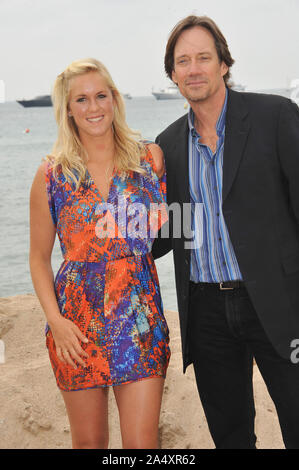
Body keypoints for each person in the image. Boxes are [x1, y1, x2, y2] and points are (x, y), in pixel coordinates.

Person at [152, 15, 299, 449]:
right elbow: (170, 232)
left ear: (223, 64)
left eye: (203, 57)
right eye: (183, 61)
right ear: (173, 74)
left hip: (279, 303)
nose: (193, 68)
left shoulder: (275, 116)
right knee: (231, 436)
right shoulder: (168, 144)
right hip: (207, 312)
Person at [29, 58, 170, 449]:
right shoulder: (52, 175)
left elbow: (167, 230)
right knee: (89, 443)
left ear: (115, 100)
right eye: (82, 99)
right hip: (75, 327)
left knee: (143, 446)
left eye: (101, 96)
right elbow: (39, 258)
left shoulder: (149, 161)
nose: (94, 107)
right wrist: (56, 322)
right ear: (69, 109)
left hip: (138, 319)